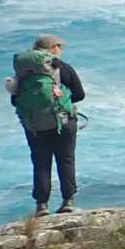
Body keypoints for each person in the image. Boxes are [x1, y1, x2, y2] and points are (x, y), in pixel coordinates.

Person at [11, 33, 84, 216]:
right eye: (60, 46)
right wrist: (63, 101)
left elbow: (15, 100)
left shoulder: (23, 72)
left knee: (41, 163)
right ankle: (68, 201)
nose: (61, 50)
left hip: (35, 124)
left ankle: (42, 205)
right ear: (52, 48)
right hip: (64, 120)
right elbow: (80, 94)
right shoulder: (62, 68)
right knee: (65, 159)